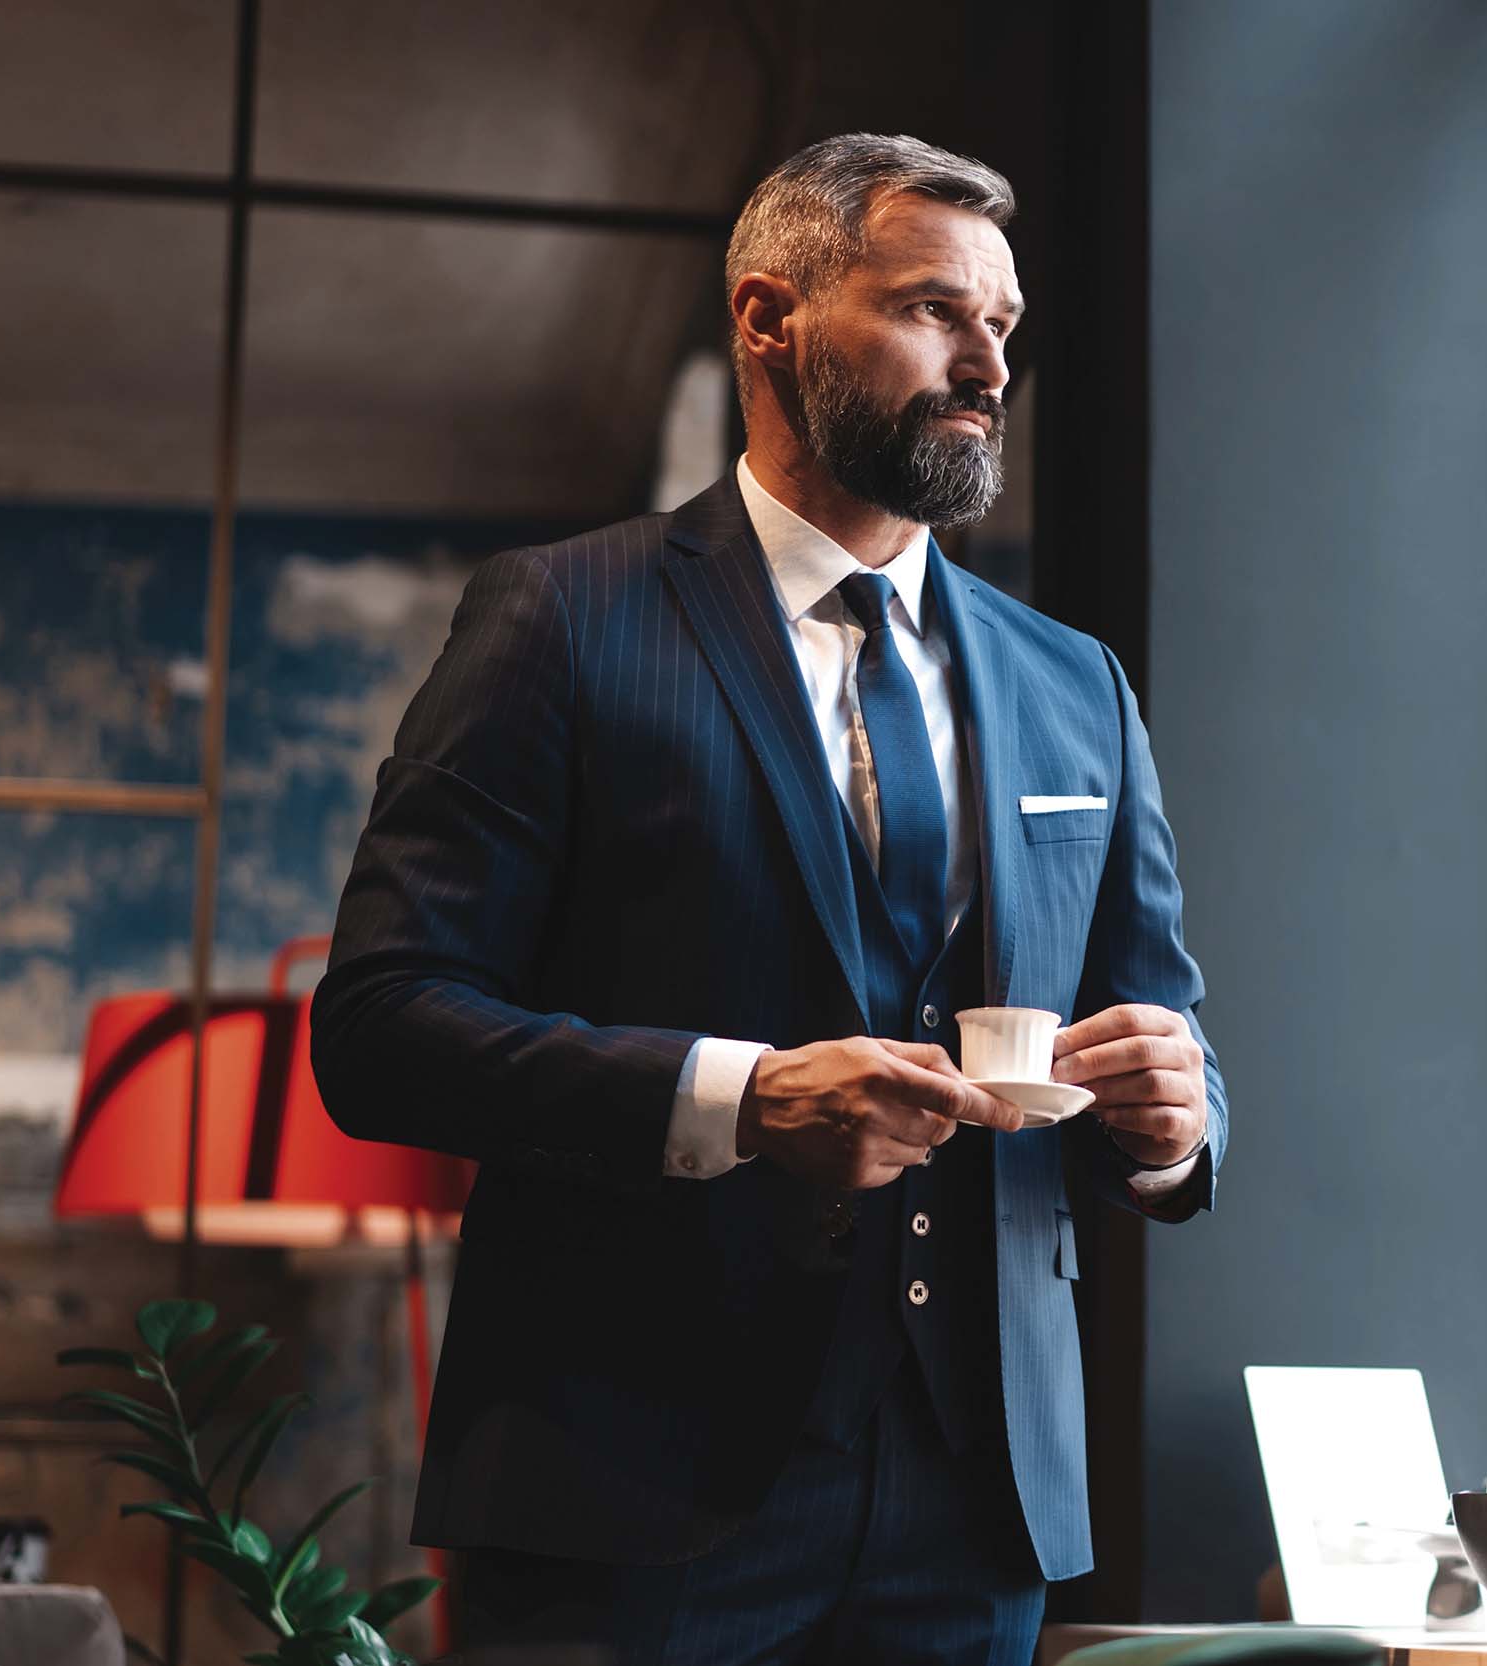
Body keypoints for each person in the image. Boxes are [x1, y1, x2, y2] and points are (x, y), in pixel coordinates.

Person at [310, 132, 1227, 1666]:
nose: (988, 365)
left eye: (1003, 326)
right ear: (769, 319)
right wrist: (739, 1097)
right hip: (631, 1490)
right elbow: (381, 1026)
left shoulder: (1080, 688)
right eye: (936, 310)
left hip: (974, 1503)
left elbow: (1164, 1021)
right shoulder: (563, 618)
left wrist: (1181, 1121)